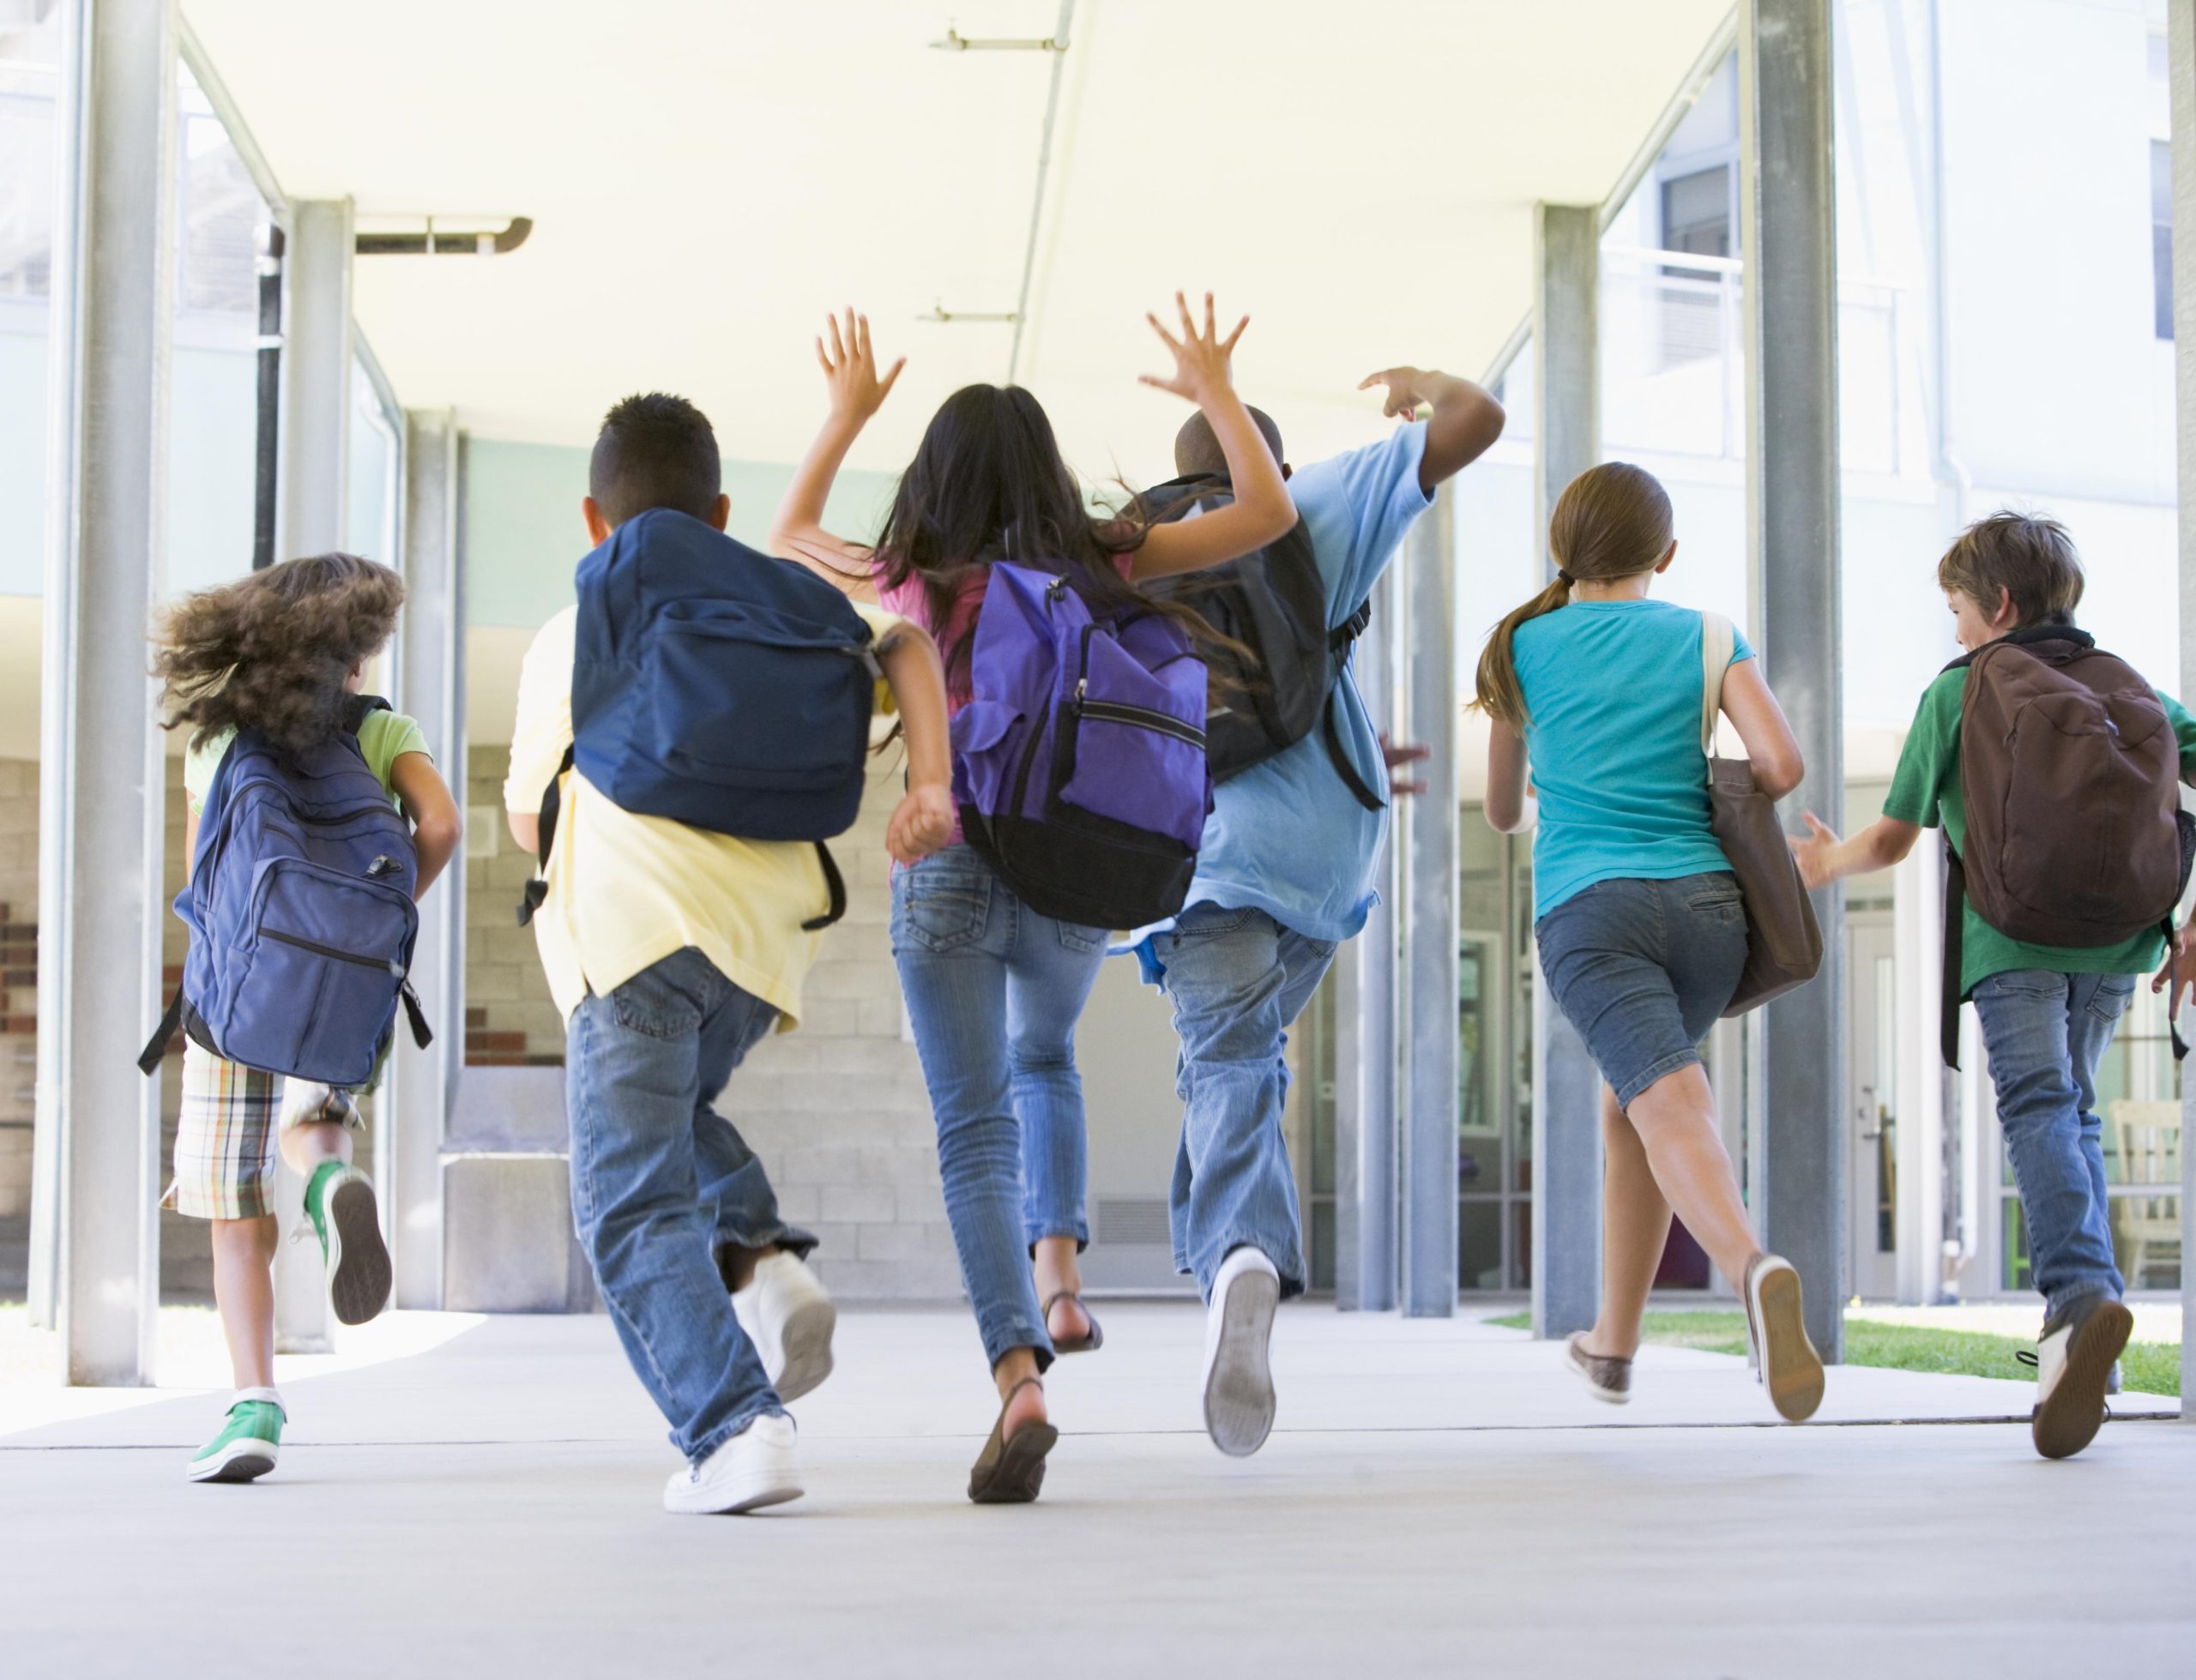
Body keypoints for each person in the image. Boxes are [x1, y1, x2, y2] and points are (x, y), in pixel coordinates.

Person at [770, 295, 1294, 1501]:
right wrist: (1215, 386)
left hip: (949, 854)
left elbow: (794, 525)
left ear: (936, 481)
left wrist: (846, 411)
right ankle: (1067, 1275)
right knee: (1043, 1054)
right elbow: (1263, 512)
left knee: (973, 1131)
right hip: (1075, 862)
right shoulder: (1105, 556)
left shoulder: (917, 576)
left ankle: (1017, 1373)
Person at [505, 392, 954, 1514]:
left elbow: (528, 822)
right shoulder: (784, 608)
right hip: (757, 956)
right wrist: (935, 780)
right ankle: (762, 1253)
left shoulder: (578, 623)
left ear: (593, 520)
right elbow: (901, 641)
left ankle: (734, 1429)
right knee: (671, 1123)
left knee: (628, 1200)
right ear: (718, 510)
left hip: (635, 938)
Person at [1127, 364, 1502, 1455]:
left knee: (1227, 1059)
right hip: (1326, 853)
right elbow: (1478, 420)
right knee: (1238, 1057)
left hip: (1193, 848)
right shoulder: (1310, 505)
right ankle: (1226, 1259)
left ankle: (1239, 1252)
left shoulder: (1135, 544)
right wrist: (1420, 387)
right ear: (1270, 464)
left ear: (1171, 477)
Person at [1791, 512, 2196, 1459]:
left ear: (1998, 604)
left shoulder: (1962, 691)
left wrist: (1822, 865)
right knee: (2075, 1111)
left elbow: (1891, 839)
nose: (1957, 630)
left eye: (1958, 611)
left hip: (2009, 940)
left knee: (2040, 1108)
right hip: (2121, 941)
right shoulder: (2132, 688)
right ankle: (2078, 1340)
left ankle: (2080, 1301)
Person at [1480, 461, 1825, 1424]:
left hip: (1593, 913)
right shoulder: (1708, 635)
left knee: (1667, 1104)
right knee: (1630, 1105)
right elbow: (1781, 764)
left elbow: (1505, 811)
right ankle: (1613, 1349)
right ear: (1664, 557)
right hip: (1709, 913)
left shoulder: (1519, 645)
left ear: (1563, 549)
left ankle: (1750, 1269)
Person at [154, 553, 463, 1483]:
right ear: (353, 658)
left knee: (233, 1207)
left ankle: (254, 1404)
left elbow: (204, 877)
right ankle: (329, 1184)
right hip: (341, 980)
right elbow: (442, 823)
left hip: (231, 995)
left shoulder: (217, 739)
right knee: (314, 1122)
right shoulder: (380, 728)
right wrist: (381, 920)